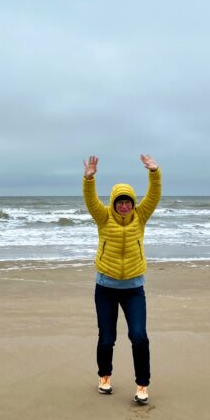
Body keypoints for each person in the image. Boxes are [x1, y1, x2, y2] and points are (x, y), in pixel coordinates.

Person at [82, 154, 161, 405]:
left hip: (134, 289)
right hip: (105, 287)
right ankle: (105, 377)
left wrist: (154, 172)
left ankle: (142, 385)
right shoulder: (103, 217)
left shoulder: (141, 216)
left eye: (128, 202)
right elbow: (90, 201)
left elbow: (154, 195)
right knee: (107, 336)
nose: (124, 206)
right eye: (120, 202)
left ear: (133, 203)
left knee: (139, 336)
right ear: (114, 203)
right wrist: (89, 179)